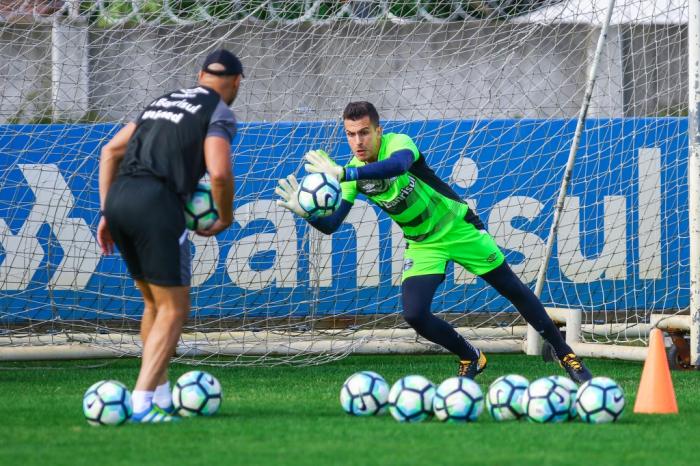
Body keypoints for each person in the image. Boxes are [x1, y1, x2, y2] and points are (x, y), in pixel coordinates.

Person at [276, 101, 593, 383]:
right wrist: (305, 212)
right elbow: (331, 225)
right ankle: (470, 355)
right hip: (423, 243)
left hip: (458, 228)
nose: (357, 141)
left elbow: (397, 166)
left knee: (513, 290)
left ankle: (567, 355)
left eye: (363, 132)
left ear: (377, 130)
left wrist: (343, 173)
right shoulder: (353, 172)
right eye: (350, 134)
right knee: (414, 314)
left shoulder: (397, 144)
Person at [97, 49, 243, 422]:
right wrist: (224, 217)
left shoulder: (162, 101)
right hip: (157, 205)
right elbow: (220, 174)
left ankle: (160, 393)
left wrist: (105, 211)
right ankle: (142, 403)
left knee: (154, 305)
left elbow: (111, 150)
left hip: (119, 200)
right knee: (175, 309)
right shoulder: (219, 112)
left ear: (200, 74)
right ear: (237, 82)